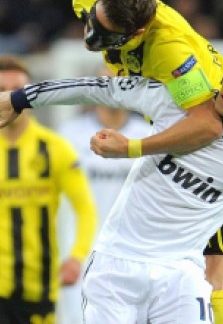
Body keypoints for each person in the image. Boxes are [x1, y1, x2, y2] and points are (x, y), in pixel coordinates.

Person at [1, 44, 223, 324]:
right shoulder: (175, 100)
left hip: (180, 273)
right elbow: (98, 88)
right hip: (116, 266)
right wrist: (19, 98)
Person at [69, 0, 223, 323]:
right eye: (93, 21)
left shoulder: (169, 50)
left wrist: (130, 148)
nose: (90, 35)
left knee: (215, 273)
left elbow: (209, 127)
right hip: (181, 142)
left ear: (137, 33)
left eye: (106, 35)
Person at [0, 54, 97, 324]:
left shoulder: (55, 147)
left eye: (17, 90)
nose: (8, 97)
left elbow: (85, 209)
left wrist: (76, 258)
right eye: (1, 90)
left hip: (39, 283)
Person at [56, 68, 151, 324]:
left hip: (134, 250)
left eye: (122, 82)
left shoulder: (148, 136)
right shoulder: (68, 135)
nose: (114, 89)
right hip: (79, 250)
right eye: (105, 83)